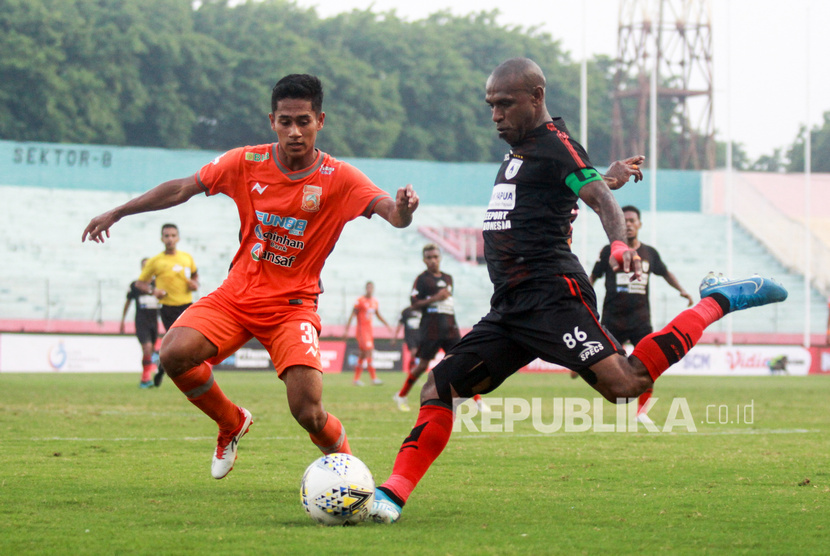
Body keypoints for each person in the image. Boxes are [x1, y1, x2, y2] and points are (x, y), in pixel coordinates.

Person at [369, 57, 787, 523]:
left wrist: (614, 241)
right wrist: (605, 175)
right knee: (440, 386)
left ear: (537, 97)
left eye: (505, 104)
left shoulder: (556, 145)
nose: (495, 115)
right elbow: (571, 189)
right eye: (491, 105)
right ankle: (392, 495)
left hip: (552, 295)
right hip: (510, 306)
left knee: (626, 386)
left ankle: (719, 300)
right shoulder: (525, 151)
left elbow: (599, 199)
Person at [83, 74, 419, 480]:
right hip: (236, 297)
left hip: (292, 307)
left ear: (320, 121)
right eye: (285, 121)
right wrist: (117, 211)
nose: (294, 131)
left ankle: (349, 477)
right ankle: (231, 422)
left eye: (304, 121)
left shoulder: (340, 178)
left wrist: (404, 209)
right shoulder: (245, 162)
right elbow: (181, 189)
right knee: (173, 352)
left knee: (309, 413)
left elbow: (391, 214)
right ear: (272, 121)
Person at [588, 205, 694, 424]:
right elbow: (594, 277)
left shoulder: (649, 253)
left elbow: (665, 273)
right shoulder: (609, 251)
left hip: (640, 319)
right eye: (624, 220)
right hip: (612, 318)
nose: (628, 224)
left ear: (639, 224)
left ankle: (641, 412)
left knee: (648, 363)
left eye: (632, 220)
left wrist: (682, 290)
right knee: (606, 363)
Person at [392, 243, 486, 412]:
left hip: (450, 329)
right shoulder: (422, 280)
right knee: (422, 365)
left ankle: (478, 401)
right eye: (429, 258)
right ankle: (401, 395)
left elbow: (448, 304)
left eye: (435, 257)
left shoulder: (448, 278)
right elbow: (414, 304)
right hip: (431, 330)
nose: (433, 261)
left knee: (463, 363)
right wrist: (435, 298)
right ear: (424, 260)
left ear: (440, 258)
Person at [136, 223, 200, 387]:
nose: (170, 239)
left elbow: (195, 275)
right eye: (167, 236)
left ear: (177, 238)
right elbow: (140, 284)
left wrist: (194, 283)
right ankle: (166, 371)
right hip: (168, 308)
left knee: (191, 343)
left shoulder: (186, 257)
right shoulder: (156, 261)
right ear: (162, 239)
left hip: (187, 306)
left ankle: (164, 371)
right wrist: (153, 291)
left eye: (173, 235)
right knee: (178, 345)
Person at [120, 257, 161, 389]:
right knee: (147, 347)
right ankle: (145, 378)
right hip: (141, 321)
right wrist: (122, 321)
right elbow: (127, 303)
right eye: (144, 265)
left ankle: (146, 377)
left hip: (154, 321)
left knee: (151, 349)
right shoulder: (135, 285)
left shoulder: (158, 285)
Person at [343, 281, 392, 386]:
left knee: (362, 355)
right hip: (361, 331)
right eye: (368, 287)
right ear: (366, 288)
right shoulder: (360, 301)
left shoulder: (375, 301)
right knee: (369, 352)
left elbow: (378, 314)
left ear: (373, 289)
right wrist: (347, 330)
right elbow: (352, 314)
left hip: (369, 331)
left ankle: (356, 379)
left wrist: (387, 324)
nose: (370, 289)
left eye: (371, 287)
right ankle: (374, 378)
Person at [393, 306, 422, 380]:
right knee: (414, 352)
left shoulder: (422, 310)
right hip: (410, 336)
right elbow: (400, 324)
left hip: (420, 336)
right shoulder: (406, 311)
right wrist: (395, 337)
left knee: (417, 355)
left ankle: (414, 373)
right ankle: (411, 373)